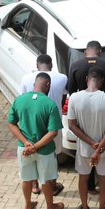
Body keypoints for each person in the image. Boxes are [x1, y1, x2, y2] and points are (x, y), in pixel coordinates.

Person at [7, 73, 64, 209]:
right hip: (44, 151)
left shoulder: (19, 100)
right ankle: (50, 207)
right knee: (45, 180)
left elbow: (11, 123)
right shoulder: (50, 104)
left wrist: (27, 143)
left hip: (24, 149)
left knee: (26, 178)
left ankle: (27, 205)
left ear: (34, 84)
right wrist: (36, 147)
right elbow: (53, 132)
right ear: (48, 85)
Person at [66, 40, 105, 194]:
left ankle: (89, 186)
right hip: (104, 114)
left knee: (84, 151)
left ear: (85, 51)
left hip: (82, 117)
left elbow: (70, 90)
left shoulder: (76, 65)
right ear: (100, 51)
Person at [67, 67, 105, 209]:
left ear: (87, 79)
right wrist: (99, 148)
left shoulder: (74, 98)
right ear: (101, 81)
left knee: (83, 178)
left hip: (84, 149)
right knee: (104, 179)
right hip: (104, 150)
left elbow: (72, 125)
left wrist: (91, 144)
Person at [19, 54, 67, 197]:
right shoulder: (62, 78)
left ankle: (34, 186)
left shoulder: (26, 79)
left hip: (32, 124)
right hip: (53, 124)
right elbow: (64, 97)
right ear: (51, 64)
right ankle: (51, 187)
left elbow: (24, 99)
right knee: (52, 157)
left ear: (36, 65)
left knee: (32, 155)